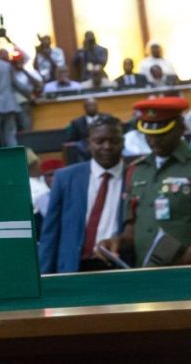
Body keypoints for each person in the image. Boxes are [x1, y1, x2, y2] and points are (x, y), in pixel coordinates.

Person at [99, 97, 191, 267]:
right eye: (149, 134)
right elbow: (132, 227)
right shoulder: (137, 170)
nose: (154, 140)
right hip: (147, 273)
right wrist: (116, 242)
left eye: (162, 133)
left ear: (180, 127)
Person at [39, 116, 125, 273]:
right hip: (74, 267)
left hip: (119, 266)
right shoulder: (65, 178)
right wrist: (44, 277)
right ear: (88, 143)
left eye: (114, 141)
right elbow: (50, 233)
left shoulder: (135, 176)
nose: (107, 146)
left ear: (123, 142)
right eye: (99, 141)